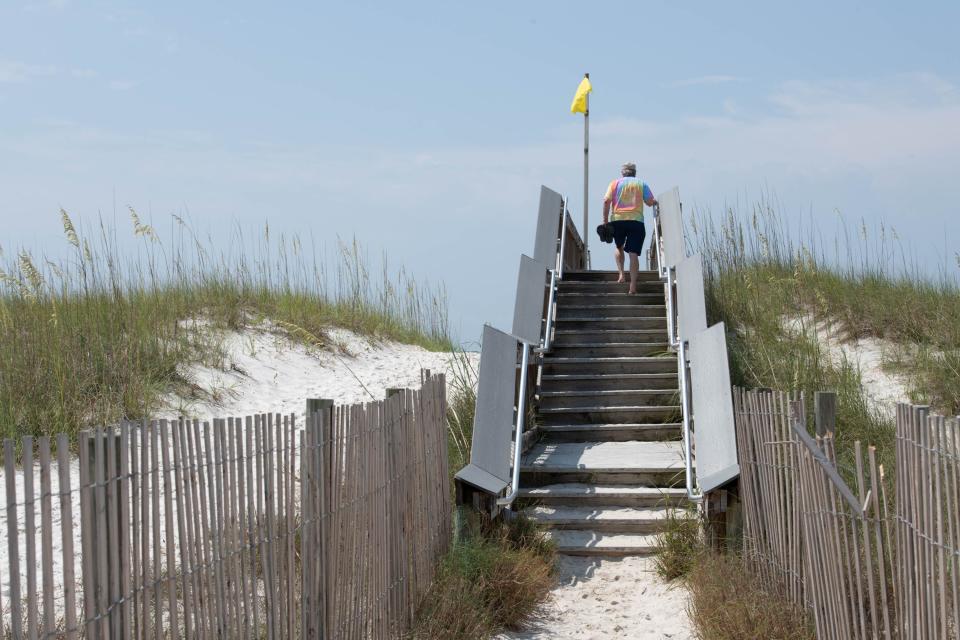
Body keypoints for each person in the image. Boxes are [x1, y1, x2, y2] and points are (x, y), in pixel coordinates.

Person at [602, 163, 657, 293]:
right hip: (636, 221)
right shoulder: (641, 184)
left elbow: (606, 201)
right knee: (633, 254)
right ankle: (632, 285)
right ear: (634, 172)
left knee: (619, 247)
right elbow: (649, 202)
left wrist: (605, 220)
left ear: (622, 173)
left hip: (618, 221)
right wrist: (655, 202)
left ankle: (621, 274)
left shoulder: (614, 184)